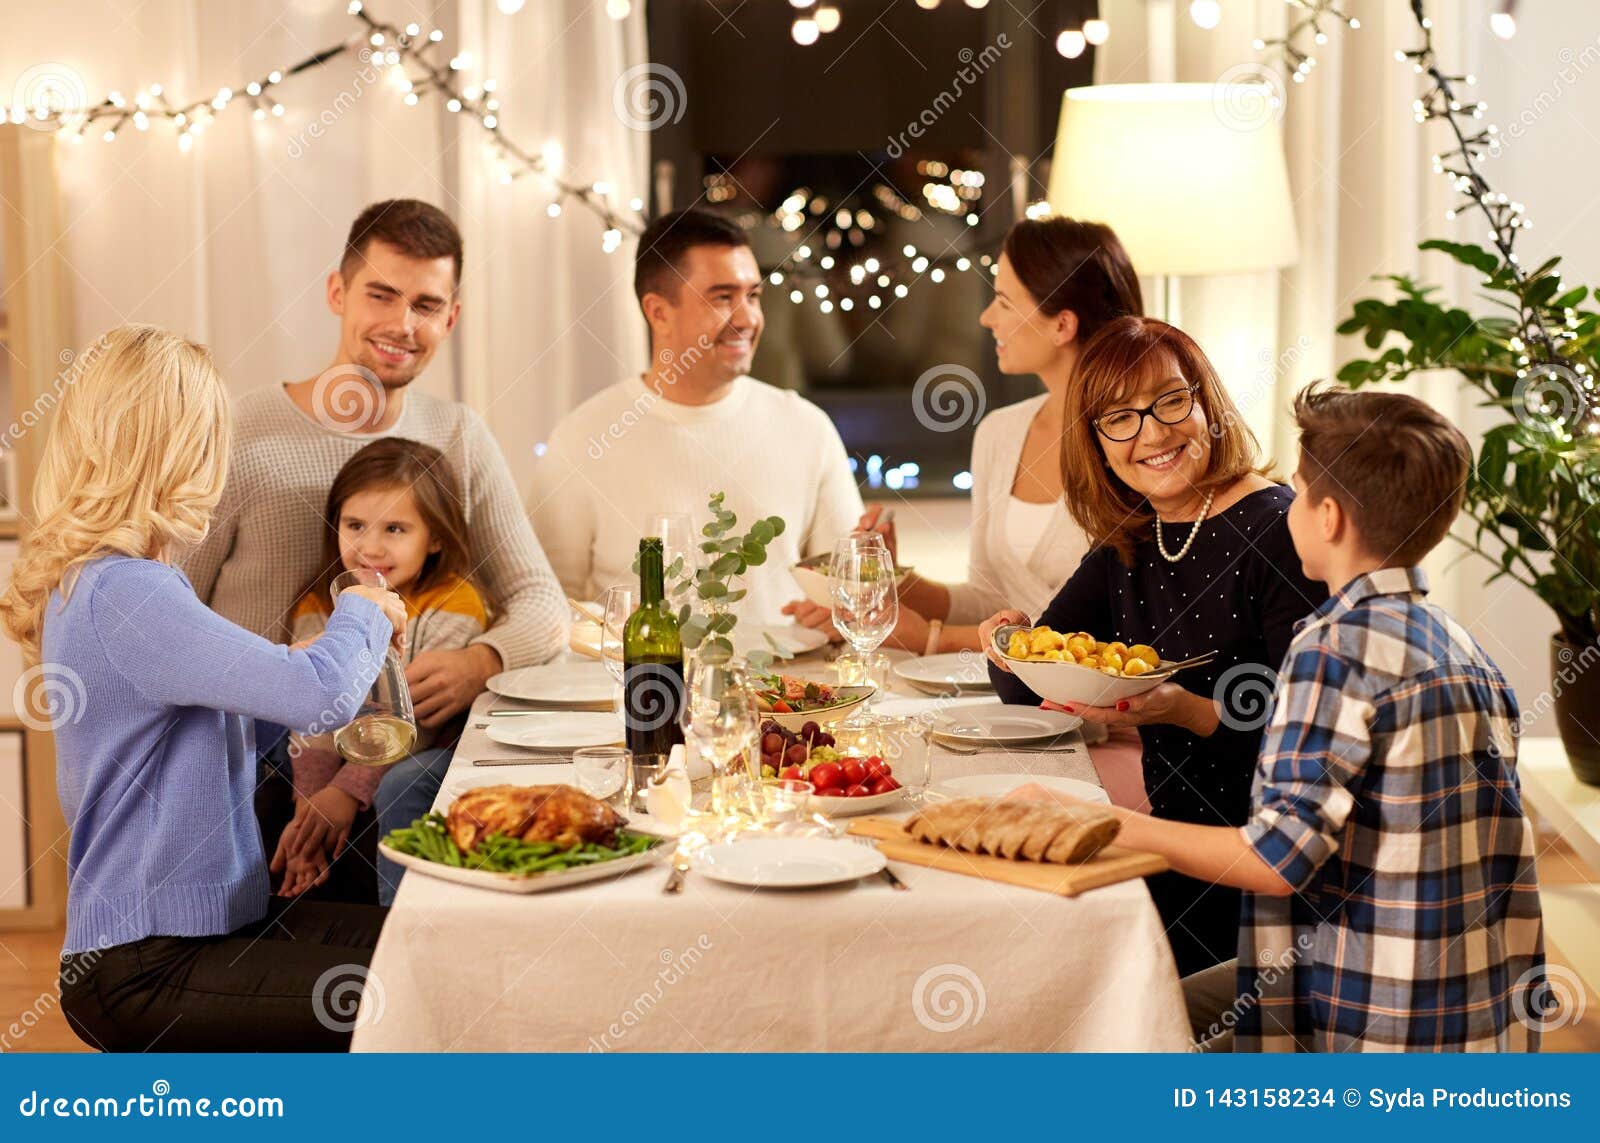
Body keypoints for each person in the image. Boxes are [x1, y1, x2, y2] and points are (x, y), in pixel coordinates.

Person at [1013, 385, 1546, 1052]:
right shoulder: (1461, 646)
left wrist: (1099, 819)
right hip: (1476, 1020)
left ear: (1327, 518)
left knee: (1112, 1034)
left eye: (1295, 489)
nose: (1282, 505)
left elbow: (1277, 857)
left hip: (1365, 1022)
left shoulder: (1331, 648)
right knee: (1155, 1004)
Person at [0, 325, 407, 1051]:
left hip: (207, 928)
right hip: (146, 962)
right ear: (183, 451)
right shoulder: (129, 592)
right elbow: (321, 697)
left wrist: (298, 661)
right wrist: (363, 607)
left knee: (427, 945)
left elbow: (235, 715)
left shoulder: (114, 582)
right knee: (413, 993)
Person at [181, 200, 566, 894]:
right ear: (337, 292)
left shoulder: (458, 437)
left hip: (401, 751)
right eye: (381, 295)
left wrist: (482, 659)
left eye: (426, 304)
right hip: (258, 754)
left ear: (451, 317)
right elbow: (170, 607)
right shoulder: (242, 432)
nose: (402, 325)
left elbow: (541, 600)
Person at [979, 316, 1327, 976]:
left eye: (1171, 400)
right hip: (1174, 843)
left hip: (1262, 869)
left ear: (1205, 401)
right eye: (1121, 417)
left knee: (1063, 964)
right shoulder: (1133, 538)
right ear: (1098, 442)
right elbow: (1028, 684)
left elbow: (1306, 743)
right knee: (1015, 934)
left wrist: (1183, 710)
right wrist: (1004, 640)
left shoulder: (1280, 528)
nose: (1154, 433)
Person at [785, 217, 1143, 653]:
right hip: (1004, 702)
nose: (986, 317)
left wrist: (930, 639)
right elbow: (987, 602)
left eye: (1005, 303)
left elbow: (1111, 632)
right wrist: (893, 580)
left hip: (1089, 712)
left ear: (1061, 325)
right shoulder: (1000, 433)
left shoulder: (1136, 443)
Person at [531, 208, 863, 625]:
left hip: (790, 683)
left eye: (753, 296)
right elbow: (548, 604)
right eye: (723, 298)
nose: (747, 319)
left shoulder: (807, 427)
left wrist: (838, 613)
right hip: (650, 686)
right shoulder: (582, 438)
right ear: (658, 313)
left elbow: (848, 588)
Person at [269, 438, 491, 905]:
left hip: (417, 751)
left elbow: (416, 720)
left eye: (394, 528)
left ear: (434, 538)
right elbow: (311, 709)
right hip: (334, 753)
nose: (370, 547)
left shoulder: (455, 605)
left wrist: (346, 793)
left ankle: (399, 927)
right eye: (355, 525)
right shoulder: (318, 602)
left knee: (402, 781)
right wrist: (311, 802)